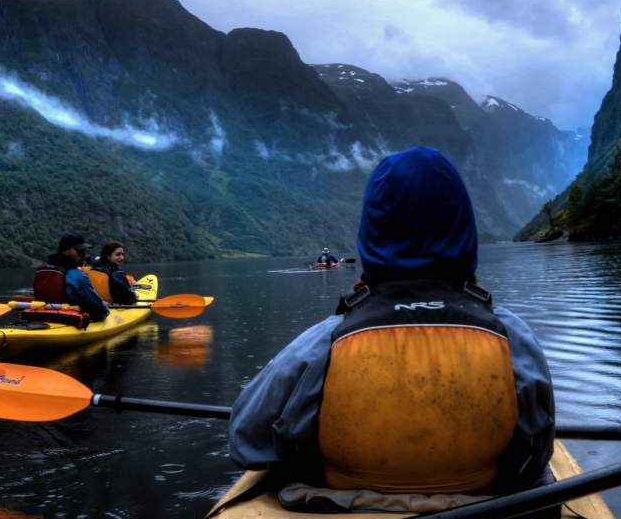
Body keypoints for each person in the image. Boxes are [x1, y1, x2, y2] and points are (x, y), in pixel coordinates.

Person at [229, 147, 555, 496]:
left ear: (372, 236)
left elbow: (246, 441)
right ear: (465, 233)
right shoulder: (512, 337)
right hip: (483, 504)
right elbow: (537, 450)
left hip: (342, 507)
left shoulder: (325, 343)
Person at [36, 234, 111, 324]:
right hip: (68, 321)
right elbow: (100, 310)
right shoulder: (78, 276)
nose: (84, 254)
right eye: (79, 250)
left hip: (42, 317)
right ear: (66, 250)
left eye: (84, 251)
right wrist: (105, 308)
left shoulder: (41, 270)